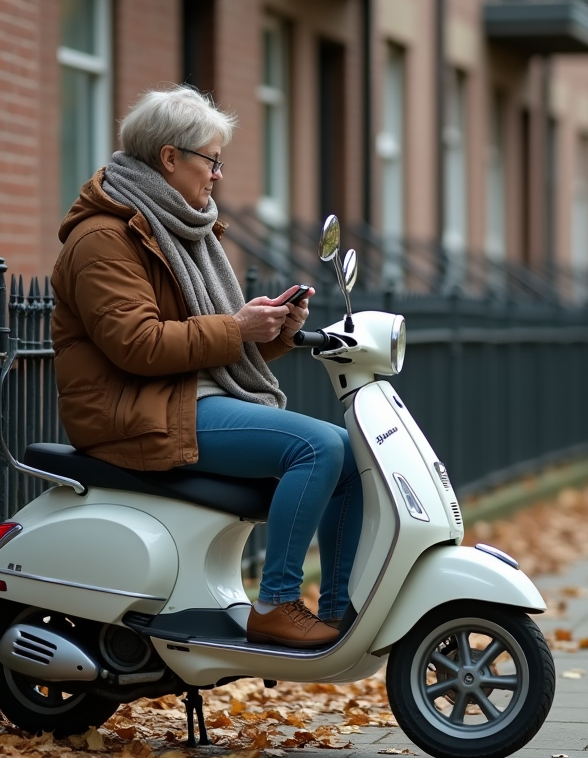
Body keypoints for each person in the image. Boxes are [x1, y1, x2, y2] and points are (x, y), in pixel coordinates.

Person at [49, 86, 363, 649]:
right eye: (211, 160)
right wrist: (238, 329)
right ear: (170, 158)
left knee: (350, 454)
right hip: (133, 411)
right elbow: (138, 345)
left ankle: (336, 614)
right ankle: (276, 605)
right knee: (319, 448)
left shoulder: (177, 224)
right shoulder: (104, 238)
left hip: (183, 396)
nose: (217, 175)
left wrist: (272, 332)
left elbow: (206, 342)